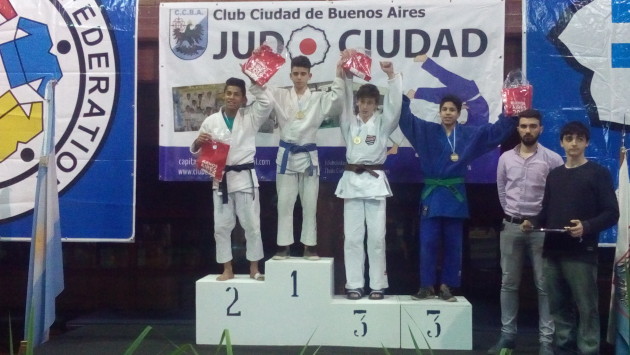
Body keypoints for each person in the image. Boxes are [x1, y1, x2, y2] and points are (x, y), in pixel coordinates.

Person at [399, 71, 517, 302]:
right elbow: (407, 121)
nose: (448, 113)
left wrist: (510, 112)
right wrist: (400, 97)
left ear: (459, 113)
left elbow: (494, 132)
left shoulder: (469, 135)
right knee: (428, 242)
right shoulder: (427, 132)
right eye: (444, 109)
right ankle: (425, 285)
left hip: (455, 197)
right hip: (432, 196)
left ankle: (447, 286)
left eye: (452, 110)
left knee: (454, 244)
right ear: (439, 111)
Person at [522, 121, 619, 355]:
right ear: (561, 142)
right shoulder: (554, 175)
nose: (573, 143)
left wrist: (586, 227)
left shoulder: (598, 173)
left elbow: (611, 213)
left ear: (586, 142)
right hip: (552, 251)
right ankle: (564, 349)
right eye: (568, 138)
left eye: (578, 138)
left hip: (581, 253)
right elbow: (546, 211)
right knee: (558, 307)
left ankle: (588, 350)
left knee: (587, 308)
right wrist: (532, 222)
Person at [488, 109, 563, 355]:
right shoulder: (505, 158)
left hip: (541, 229)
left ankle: (545, 342)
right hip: (510, 227)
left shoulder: (552, 159)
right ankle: (507, 337)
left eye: (533, 126)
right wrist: (514, 216)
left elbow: (555, 197)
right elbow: (501, 190)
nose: (528, 130)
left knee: (544, 285)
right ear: (517, 129)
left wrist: (536, 218)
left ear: (540, 129)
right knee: (508, 284)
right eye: (523, 126)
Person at [190, 77, 272, 281]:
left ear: (244, 98)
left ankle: (254, 267)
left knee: (252, 225)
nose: (231, 97)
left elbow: (267, 103)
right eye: (228, 93)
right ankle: (227, 268)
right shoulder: (211, 121)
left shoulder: (251, 117)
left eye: (236, 94)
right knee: (221, 227)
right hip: (221, 180)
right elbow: (197, 152)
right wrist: (196, 143)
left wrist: (255, 80)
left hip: (245, 178)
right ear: (223, 95)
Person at [336, 54, 402, 300]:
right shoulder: (349, 123)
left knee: (376, 237)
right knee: (352, 237)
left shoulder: (383, 125)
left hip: (374, 183)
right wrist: (342, 75)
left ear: (376, 104)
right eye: (362, 101)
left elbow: (395, 108)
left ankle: (377, 284)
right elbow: (342, 102)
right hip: (352, 182)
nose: (365, 106)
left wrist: (392, 77)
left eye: (370, 102)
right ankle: (354, 283)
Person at [268, 55, 344, 260]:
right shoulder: (281, 95)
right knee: (284, 203)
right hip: (286, 156)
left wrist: (338, 75)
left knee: (310, 204)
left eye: (303, 74)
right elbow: (260, 91)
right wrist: (257, 63)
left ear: (310, 75)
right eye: (296, 73)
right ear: (290, 75)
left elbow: (336, 104)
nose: (299, 77)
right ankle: (283, 246)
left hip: (309, 156)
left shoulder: (318, 97)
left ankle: (310, 246)